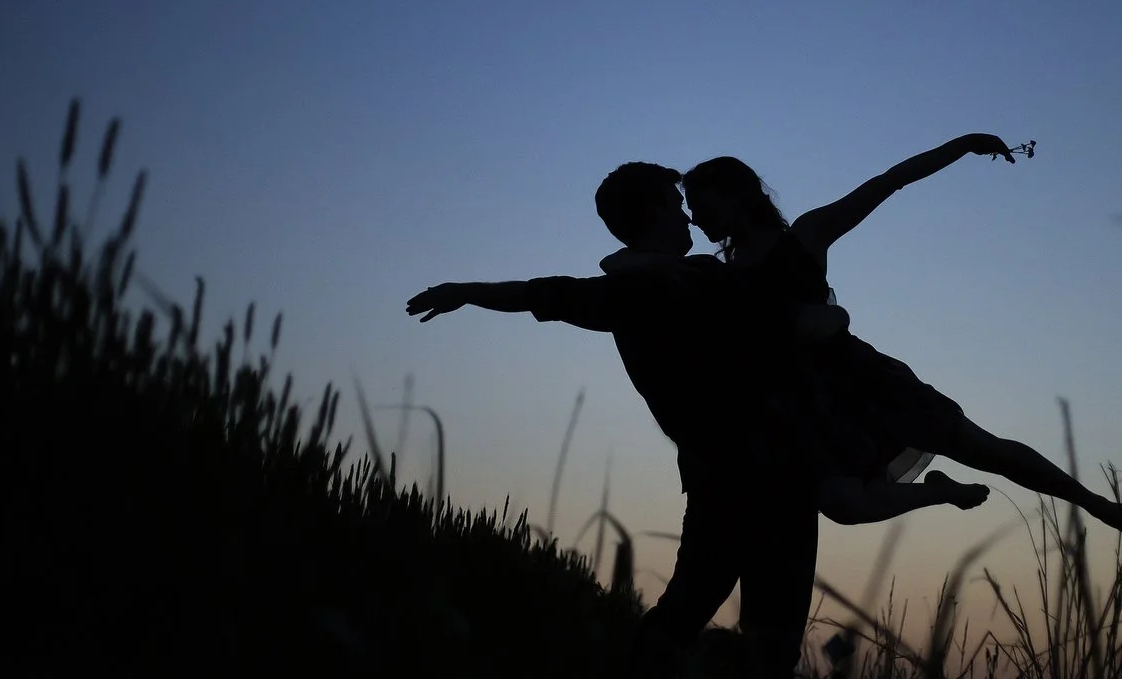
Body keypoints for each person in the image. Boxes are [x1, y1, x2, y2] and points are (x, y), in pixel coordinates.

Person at [405, 162, 984, 678]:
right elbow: (545, 294)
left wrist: (467, 291)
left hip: (748, 472)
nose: (687, 216)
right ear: (653, 214)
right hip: (757, 473)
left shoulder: (638, 287)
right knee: (747, 627)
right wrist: (828, 320)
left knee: (704, 617)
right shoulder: (679, 282)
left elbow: (540, 294)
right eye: (675, 205)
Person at [673, 134, 1122, 540]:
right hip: (805, 406)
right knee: (844, 504)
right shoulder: (718, 275)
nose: (695, 217)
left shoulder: (806, 235)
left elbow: (888, 182)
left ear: (735, 195)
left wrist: (964, 145)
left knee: (984, 449)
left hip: (860, 379)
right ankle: (939, 492)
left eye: (700, 204)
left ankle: (1094, 503)